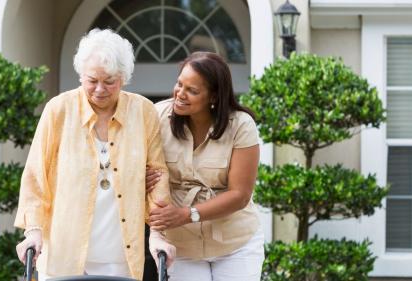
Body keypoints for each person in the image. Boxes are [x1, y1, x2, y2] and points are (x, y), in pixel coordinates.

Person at [14, 28, 175, 281]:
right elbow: (36, 176)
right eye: (92, 80)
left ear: (123, 78)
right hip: (63, 254)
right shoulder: (59, 110)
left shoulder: (143, 112)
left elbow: (158, 176)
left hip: (120, 257)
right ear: (81, 76)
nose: (100, 89)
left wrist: (157, 234)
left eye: (109, 81)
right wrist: (33, 230)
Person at [146, 52, 264, 281]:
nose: (180, 94)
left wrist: (186, 215)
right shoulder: (157, 116)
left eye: (192, 90)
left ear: (214, 97)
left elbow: (240, 194)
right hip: (180, 245)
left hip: (235, 243)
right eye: (179, 84)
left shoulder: (241, 125)